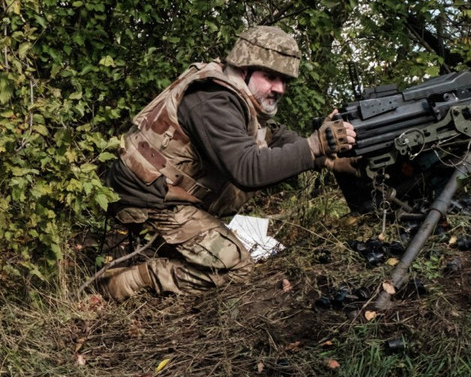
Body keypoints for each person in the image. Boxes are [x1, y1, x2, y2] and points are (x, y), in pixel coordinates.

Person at [102, 25, 356, 300]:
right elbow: (248, 170)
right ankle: (127, 280)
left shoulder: (235, 93)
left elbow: (274, 135)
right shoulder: (213, 100)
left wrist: (326, 161)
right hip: (148, 200)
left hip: (167, 194)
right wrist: (314, 146)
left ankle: (164, 252)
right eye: (271, 76)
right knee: (237, 268)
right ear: (244, 68)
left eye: (285, 80)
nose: (280, 88)